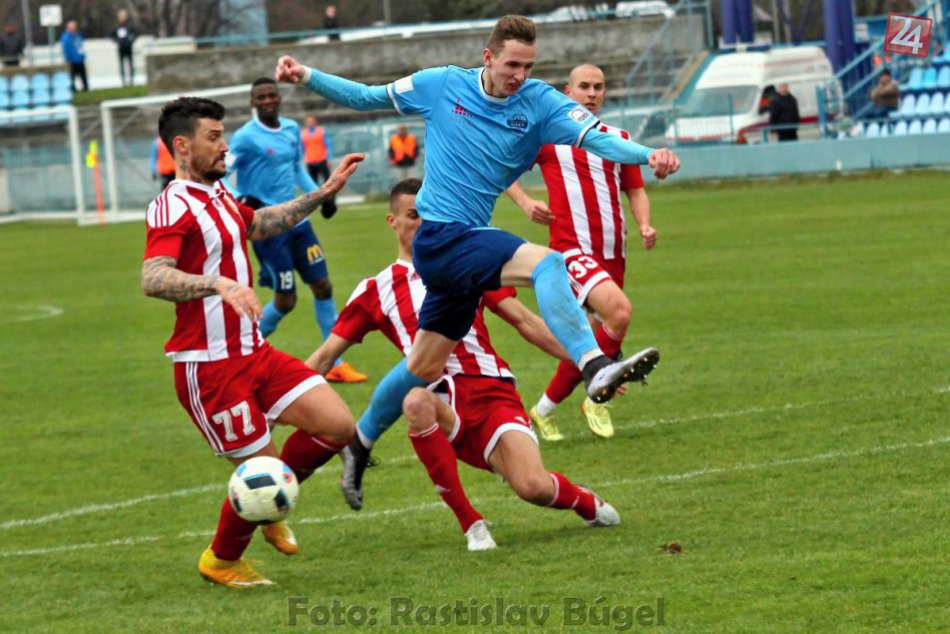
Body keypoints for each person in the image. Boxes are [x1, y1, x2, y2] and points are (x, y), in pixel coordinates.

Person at [276, 16, 678, 477]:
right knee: (548, 264)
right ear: (487, 58)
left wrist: (649, 155)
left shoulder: (543, 102)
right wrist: (306, 75)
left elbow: (599, 138)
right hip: (440, 236)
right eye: (511, 65)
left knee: (423, 365)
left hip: (461, 251)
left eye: (528, 66)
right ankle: (594, 367)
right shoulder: (441, 84)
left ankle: (360, 443)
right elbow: (367, 97)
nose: (520, 76)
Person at [307, 180, 621, 547]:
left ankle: (585, 502)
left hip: (491, 391)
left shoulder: (463, 263)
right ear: (392, 221)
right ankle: (471, 523)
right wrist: (282, 398)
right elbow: (326, 356)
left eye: (428, 214)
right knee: (415, 401)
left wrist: (594, 365)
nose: (422, 223)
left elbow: (526, 322)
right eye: (412, 216)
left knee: (532, 486)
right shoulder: (376, 289)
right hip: (441, 402)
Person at [141, 96, 364, 588]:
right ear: (182, 146)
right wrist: (215, 283)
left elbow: (260, 223)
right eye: (214, 138)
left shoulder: (219, 195)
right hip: (211, 366)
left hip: (254, 352)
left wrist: (323, 190)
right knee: (258, 471)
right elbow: (153, 278)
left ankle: (265, 500)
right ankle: (221, 560)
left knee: (337, 424)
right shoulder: (171, 206)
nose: (225, 147)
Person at [506, 63, 656, 441]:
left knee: (590, 342)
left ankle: (542, 411)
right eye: (584, 87)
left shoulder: (617, 138)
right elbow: (502, 166)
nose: (592, 93)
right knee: (619, 314)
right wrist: (525, 203)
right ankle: (597, 399)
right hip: (571, 251)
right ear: (567, 92)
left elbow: (634, 189)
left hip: (613, 253)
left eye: (599, 87)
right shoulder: (548, 139)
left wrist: (644, 225)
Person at [227, 78, 366, 383]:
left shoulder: (291, 129)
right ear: (252, 103)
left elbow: (296, 169)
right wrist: (240, 200)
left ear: (278, 98)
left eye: (270, 95)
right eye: (260, 97)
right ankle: (241, 356)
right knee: (285, 301)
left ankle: (335, 364)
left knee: (323, 286)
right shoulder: (244, 138)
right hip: (268, 227)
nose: (266, 100)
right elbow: (221, 173)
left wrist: (322, 194)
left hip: (299, 222)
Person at [300, 114, 337, 219]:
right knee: (312, 185)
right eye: (308, 121)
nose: (310, 123)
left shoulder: (322, 131)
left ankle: (331, 203)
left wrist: (329, 158)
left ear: (315, 122)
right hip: (311, 162)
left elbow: (328, 144)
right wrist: (301, 160)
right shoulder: (303, 134)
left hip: (322, 160)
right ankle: (315, 204)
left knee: (328, 183)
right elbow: (301, 148)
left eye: (311, 121)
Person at [111, 9, 137, 86]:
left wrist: (131, 40)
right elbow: (112, 35)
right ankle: (124, 82)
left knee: (130, 64)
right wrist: (117, 41)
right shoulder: (116, 26)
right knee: (122, 65)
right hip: (121, 47)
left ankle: (131, 81)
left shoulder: (130, 26)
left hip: (128, 47)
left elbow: (135, 34)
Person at [60, 20, 88, 92]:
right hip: (71, 60)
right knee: (72, 77)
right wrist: (68, 58)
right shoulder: (66, 37)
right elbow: (66, 49)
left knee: (83, 76)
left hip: (80, 59)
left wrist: (82, 56)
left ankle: (85, 88)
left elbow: (81, 46)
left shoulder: (79, 35)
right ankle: (73, 89)